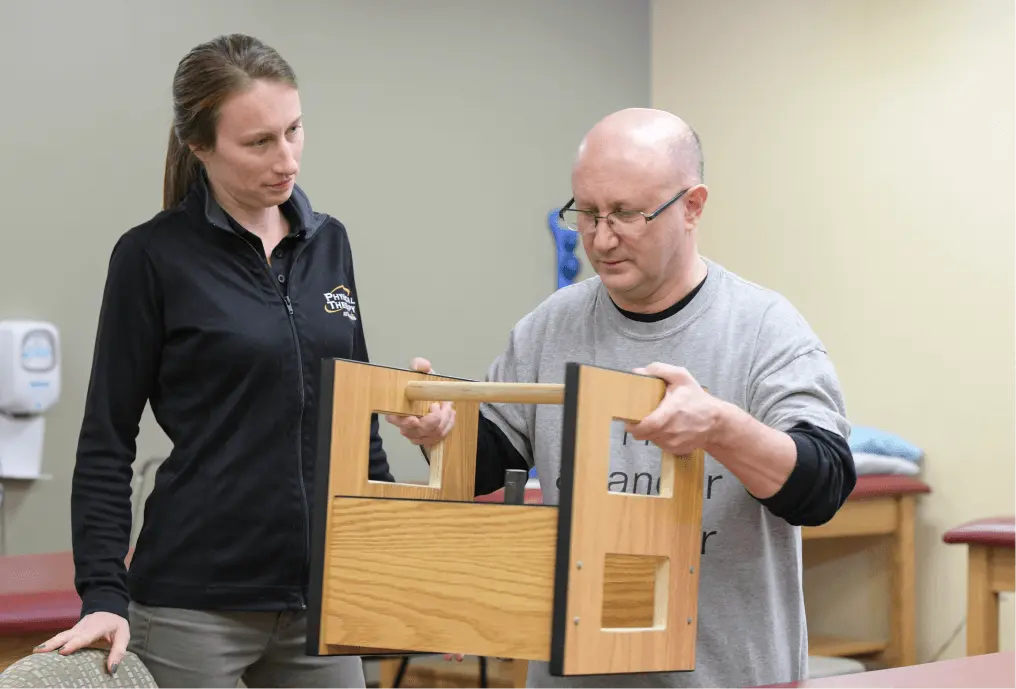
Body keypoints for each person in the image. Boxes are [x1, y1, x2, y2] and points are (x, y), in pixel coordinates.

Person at [387, 108, 856, 688]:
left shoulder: (764, 329)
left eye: (627, 215)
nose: (601, 239)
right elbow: (493, 462)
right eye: (586, 213)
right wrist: (441, 430)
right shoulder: (549, 326)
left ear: (692, 206)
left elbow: (824, 486)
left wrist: (718, 427)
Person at [33, 34, 391, 689]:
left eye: (294, 130)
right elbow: (107, 438)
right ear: (200, 146)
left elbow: (358, 417)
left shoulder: (328, 243)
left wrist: (387, 565)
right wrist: (104, 592)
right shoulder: (151, 257)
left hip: (319, 601)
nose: (286, 158)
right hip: (192, 603)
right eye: (259, 141)